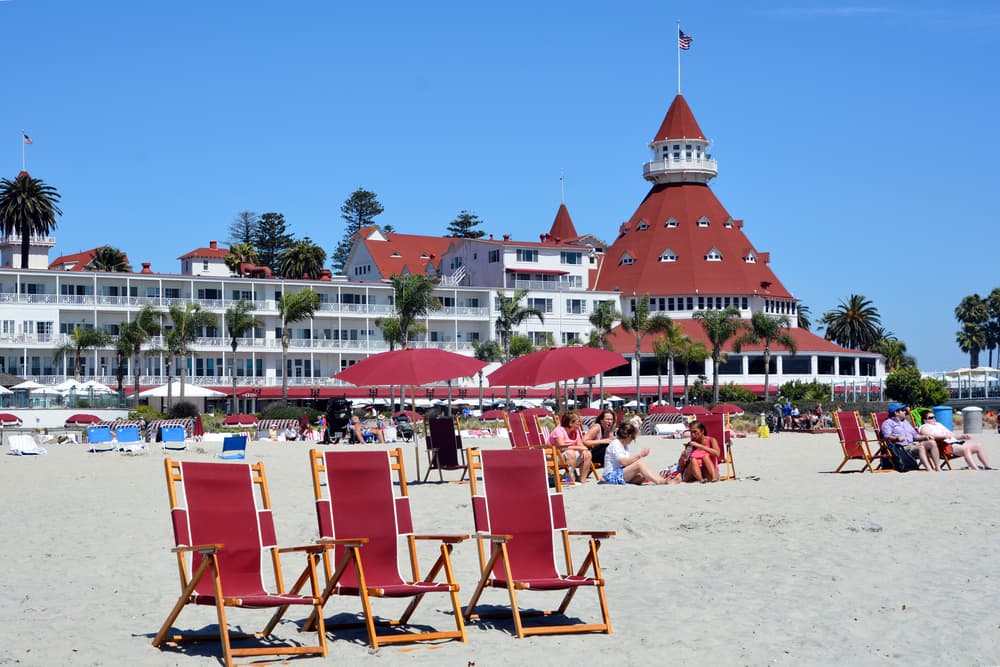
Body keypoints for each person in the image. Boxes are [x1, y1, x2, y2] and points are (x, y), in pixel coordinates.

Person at [918, 410, 993, 470]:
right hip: (946, 446)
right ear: (925, 420)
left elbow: (952, 435)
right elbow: (929, 436)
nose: (934, 419)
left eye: (934, 417)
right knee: (966, 449)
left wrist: (962, 436)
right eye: (931, 417)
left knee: (978, 446)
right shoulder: (924, 426)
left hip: (955, 443)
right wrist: (943, 436)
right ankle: (975, 468)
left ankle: (987, 466)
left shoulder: (939, 424)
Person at [603, 422, 673, 485]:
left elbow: (626, 463)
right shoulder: (616, 444)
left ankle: (661, 479)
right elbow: (623, 462)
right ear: (629, 436)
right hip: (611, 476)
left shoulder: (624, 446)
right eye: (633, 438)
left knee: (641, 475)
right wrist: (640, 455)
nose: (632, 440)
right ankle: (659, 481)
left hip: (619, 472)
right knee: (639, 464)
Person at [881, 403, 940, 471]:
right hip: (901, 448)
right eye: (902, 410)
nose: (905, 411)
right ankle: (929, 469)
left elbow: (915, 436)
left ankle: (938, 468)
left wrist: (925, 436)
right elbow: (887, 437)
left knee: (932, 442)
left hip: (913, 445)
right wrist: (897, 438)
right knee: (920, 447)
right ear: (896, 413)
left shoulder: (906, 422)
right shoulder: (887, 423)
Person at [548, 410, 593, 484]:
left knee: (588, 453)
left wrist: (583, 450)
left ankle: (582, 480)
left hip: (567, 456)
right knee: (570, 453)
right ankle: (569, 480)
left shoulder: (575, 431)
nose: (580, 423)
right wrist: (579, 448)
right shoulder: (558, 431)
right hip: (554, 456)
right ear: (570, 423)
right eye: (577, 422)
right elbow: (562, 447)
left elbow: (580, 444)